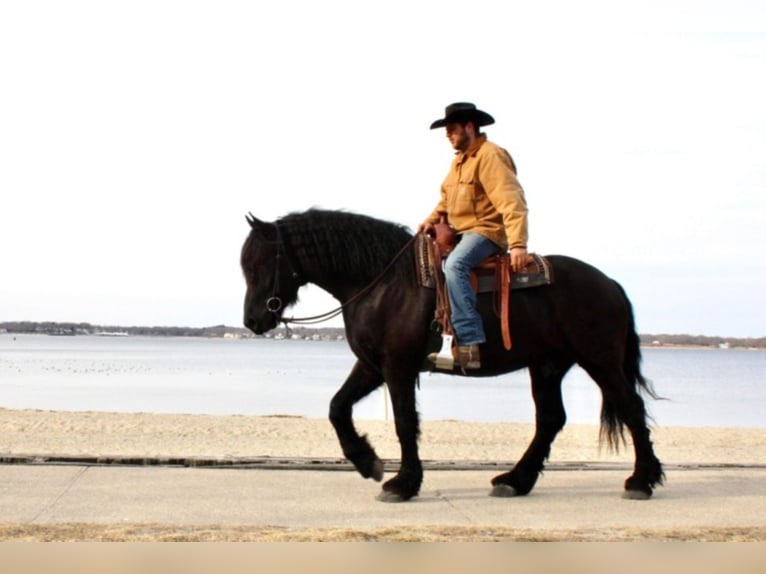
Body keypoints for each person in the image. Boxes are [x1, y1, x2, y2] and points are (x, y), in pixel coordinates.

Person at [418, 102, 529, 370]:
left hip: (485, 232)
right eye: (446, 130)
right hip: (461, 232)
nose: (448, 135)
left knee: (456, 265)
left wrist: (517, 244)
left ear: (470, 126)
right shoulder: (459, 163)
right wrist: (429, 222)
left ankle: (469, 343)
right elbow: (446, 201)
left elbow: (511, 200)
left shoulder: (490, 156)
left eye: (452, 129)